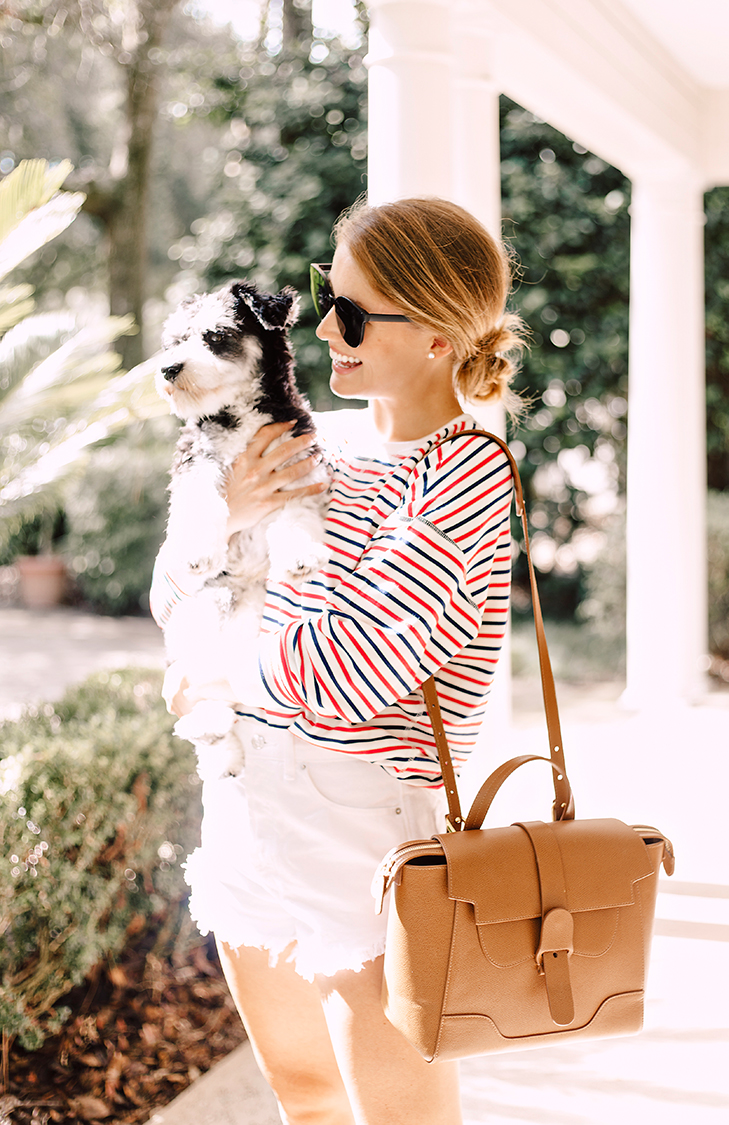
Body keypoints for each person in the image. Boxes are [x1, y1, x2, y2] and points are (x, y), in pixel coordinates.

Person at [151, 196, 526, 1125]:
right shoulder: (314, 443)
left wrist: (217, 670)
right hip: (245, 800)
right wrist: (226, 524)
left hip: (361, 824)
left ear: (438, 338)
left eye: (352, 312)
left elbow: (346, 675)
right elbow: (172, 589)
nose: (322, 326)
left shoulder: (465, 474)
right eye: (328, 295)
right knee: (307, 1098)